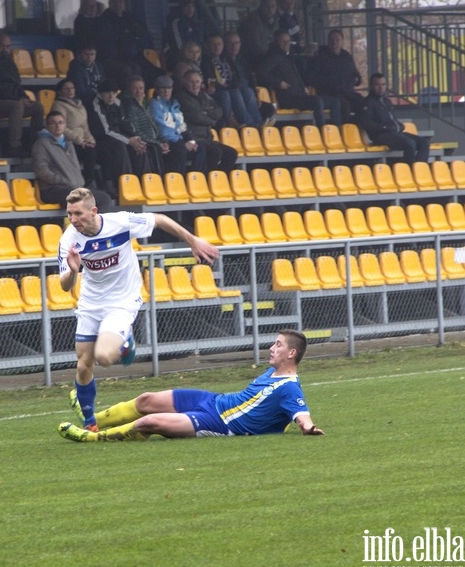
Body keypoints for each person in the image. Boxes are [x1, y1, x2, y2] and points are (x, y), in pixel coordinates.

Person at [56, 187, 220, 432]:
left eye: (78, 213)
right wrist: (73, 270)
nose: (73, 219)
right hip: (90, 304)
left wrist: (192, 240)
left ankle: (126, 341)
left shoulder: (120, 223)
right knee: (83, 365)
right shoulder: (69, 240)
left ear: (94, 211)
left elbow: (160, 219)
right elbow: (64, 285)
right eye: (70, 214)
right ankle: (90, 422)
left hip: (122, 301)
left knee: (104, 357)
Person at [58, 329, 324, 441]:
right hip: (213, 400)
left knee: (146, 423)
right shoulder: (272, 372)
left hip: (219, 423)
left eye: (278, 345)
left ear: (291, 354)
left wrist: (308, 427)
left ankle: (92, 438)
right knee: (145, 400)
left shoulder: (289, 386)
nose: (271, 347)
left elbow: (301, 413)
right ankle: (93, 420)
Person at [0, 32, 45, 157]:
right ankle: (14, 146)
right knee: (16, 106)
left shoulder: (9, 62)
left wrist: (24, 98)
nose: (5, 49)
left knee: (37, 107)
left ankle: (35, 145)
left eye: (8, 46)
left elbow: (17, 85)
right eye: (2, 46)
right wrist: (18, 100)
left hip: (7, 102)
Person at [257, 30, 342, 127]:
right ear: (277, 43)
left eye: (288, 41)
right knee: (317, 102)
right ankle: (322, 132)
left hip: (300, 95)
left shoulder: (289, 57)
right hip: (288, 98)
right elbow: (261, 73)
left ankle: (337, 132)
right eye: (283, 41)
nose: (286, 44)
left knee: (335, 102)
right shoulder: (273, 57)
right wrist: (278, 82)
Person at [31, 111, 112, 208]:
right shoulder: (41, 144)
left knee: (104, 198)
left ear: (65, 125)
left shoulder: (68, 143)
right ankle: (82, 223)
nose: (58, 126)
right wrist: (63, 180)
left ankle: (97, 223)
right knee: (75, 198)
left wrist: (78, 183)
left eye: (61, 122)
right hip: (52, 189)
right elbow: (41, 171)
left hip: (74, 187)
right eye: (53, 123)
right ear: (47, 126)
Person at [175, 70, 240, 172]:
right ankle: (204, 180)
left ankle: (217, 180)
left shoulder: (204, 96)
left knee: (232, 153)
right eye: (191, 82)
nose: (195, 84)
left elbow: (219, 111)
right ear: (184, 82)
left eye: (197, 81)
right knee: (215, 152)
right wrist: (211, 118)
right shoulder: (181, 97)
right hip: (194, 139)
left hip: (208, 139)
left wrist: (206, 112)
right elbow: (196, 116)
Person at [359, 73, 431, 164]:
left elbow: (392, 119)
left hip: (394, 133)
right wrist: (384, 127)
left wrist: (399, 126)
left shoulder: (386, 101)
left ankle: (419, 170)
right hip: (380, 136)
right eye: (377, 85)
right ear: (371, 86)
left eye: (383, 84)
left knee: (424, 142)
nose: (381, 88)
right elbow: (367, 123)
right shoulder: (367, 103)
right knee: (409, 143)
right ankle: (410, 170)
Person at [95, 0, 161, 86]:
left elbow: (142, 31)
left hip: (132, 55)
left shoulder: (128, 16)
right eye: (114, 2)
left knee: (154, 70)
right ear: (109, 3)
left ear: (124, 3)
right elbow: (110, 39)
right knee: (129, 70)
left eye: (120, 2)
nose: (118, 4)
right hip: (113, 57)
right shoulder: (104, 19)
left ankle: (148, 94)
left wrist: (130, 32)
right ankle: (129, 95)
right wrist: (127, 33)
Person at [89, 79, 150, 183]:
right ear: (100, 93)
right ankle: (126, 184)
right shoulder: (95, 105)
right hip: (102, 141)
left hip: (119, 137)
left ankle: (145, 183)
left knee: (140, 145)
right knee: (120, 146)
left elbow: (125, 123)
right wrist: (128, 140)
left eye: (114, 93)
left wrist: (135, 137)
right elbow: (106, 131)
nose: (111, 96)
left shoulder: (117, 103)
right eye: (108, 93)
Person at [149, 75, 208, 174]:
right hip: (166, 141)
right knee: (180, 149)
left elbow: (181, 125)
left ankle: (194, 179)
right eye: (163, 88)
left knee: (200, 147)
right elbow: (163, 129)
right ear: (157, 90)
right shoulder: (154, 104)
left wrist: (190, 140)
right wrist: (181, 141)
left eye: (169, 88)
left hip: (178, 140)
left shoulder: (174, 103)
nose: (166, 91)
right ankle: (177, 180)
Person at [202, 33, 262, 128]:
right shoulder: (205, 61)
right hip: (217, 92)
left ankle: (258, 121)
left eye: (219, 44)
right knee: (233, 93)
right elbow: (210, 80)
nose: (217, 47)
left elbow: (235, 76)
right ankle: (249, 123)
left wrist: (234, 85)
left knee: (247, 90)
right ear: (207, 46)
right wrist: (224, 87)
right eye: (213, 45)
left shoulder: (226, 58)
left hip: (230, 88)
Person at [51, 79, 98, 186]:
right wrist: (79, 140)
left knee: (96, 148)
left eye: (72, 88)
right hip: (68, 142)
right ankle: (88, 182)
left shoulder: (81, 106)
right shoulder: (58, 106)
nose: (70, 91)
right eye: (66, 88)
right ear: (59, 92)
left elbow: (85, 128)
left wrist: (90, 140)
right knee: (89, 152)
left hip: (82, 141)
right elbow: (62, 128)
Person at [223, 30, 276, 125]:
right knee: (245, 92)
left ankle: (259, 123)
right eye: (230, 43)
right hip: (235, 92)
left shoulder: (243, 60)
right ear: (225, 44)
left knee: (268, 107)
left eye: (237, 43)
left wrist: (256, 96)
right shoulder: (223, 60)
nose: (234, 46)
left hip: (247, 92)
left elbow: (251, 79)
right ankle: (254, 125)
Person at [311, 29, 364, 117]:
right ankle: (344, 129)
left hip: (348, 92)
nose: (334, 43)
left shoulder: (346, 56)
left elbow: (355, 73)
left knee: (364, 103)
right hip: (330, 93)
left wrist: (357, 80)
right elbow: (314, 78)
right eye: (331, 40)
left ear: (342, 41)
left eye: (337, 40)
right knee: (344, 106)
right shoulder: (321, 58)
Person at [121, 75, 167, 174]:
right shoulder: (129, 106)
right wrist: (157, 143)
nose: (138, 92)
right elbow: (137, 131)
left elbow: (154, 125)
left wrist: (163, 140)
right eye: (135, 88)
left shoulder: (145, 104)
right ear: (129, 90)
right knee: (155, 148)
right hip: (145, 141)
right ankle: (159, 180)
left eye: (141, 88)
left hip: (154, 140)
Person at [237, 0, 278, 74]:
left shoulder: (275, 20)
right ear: (261, 6)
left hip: (268, 55)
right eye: (267, 7)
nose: (270, 10)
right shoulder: (253, 21)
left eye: (273, 7)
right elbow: (256, 46)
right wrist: (272, 54)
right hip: (252, 57)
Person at [162, 0, 203, 70]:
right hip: (176, 55)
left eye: (192, 6)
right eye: (187, 6)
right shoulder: (177, 22)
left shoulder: (195, 23)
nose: (190, 9)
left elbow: (199, 42)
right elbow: (178, 44)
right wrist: (188, 55)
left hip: (193, 56)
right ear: (182, 8)